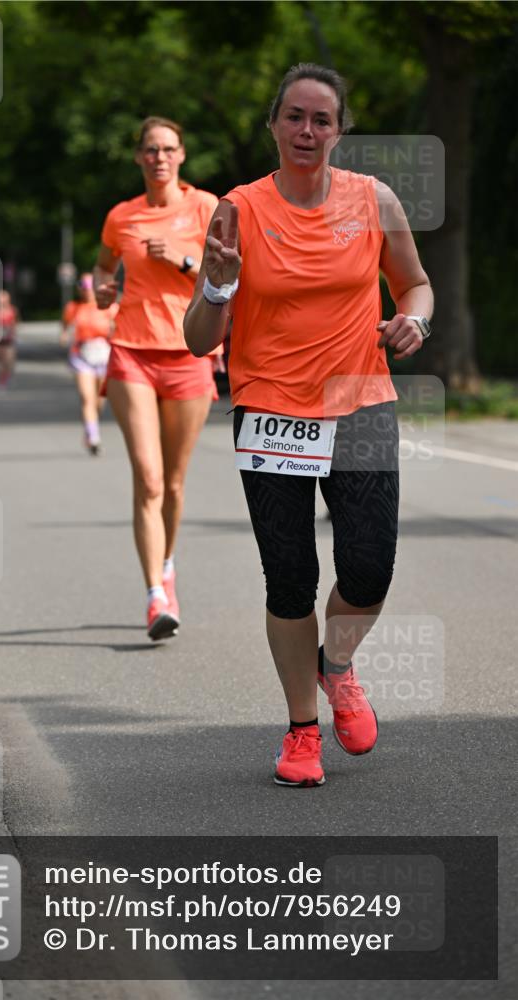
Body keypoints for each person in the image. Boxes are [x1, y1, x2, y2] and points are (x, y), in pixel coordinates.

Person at [184, 64, 434, 787]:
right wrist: (218, 282)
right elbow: (200, 338)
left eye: (320, 119)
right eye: (293, 116)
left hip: (359, 400)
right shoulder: (237, 210)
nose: (306, 131)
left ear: (339, 130)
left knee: (368, 566)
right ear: (273, 125)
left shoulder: (372, 199)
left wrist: (412, 318)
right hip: (269, 409)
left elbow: (413, 282)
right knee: (289, 577)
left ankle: (338, 667)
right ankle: (300, 731)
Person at [94, 116, 218, 641]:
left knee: (172, 481)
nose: (159, 157)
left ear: (182, 155)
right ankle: (154, 596)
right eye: (150, 149)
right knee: (147, 477)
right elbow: (102, 269)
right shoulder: (121, 217)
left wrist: (186, 261)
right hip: (131, 353)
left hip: (189, 352)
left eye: (168, 148)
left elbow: (232, 274)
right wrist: (102, 290)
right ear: (139, 157)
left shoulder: (206, 207)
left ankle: (167, 564)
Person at [61, 273, 117, 455]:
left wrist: (112, 332)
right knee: (87, 398)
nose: (86, 293)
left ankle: (91, 427)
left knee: (99, 400)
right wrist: (65, 335)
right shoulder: (73, 307)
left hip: (104, 355)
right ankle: (93, 437)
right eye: (83, 289)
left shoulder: (108, 307)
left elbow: (118, 327)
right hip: (81, 356)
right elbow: (65, 326)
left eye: (89, 289)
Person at [0, 290, 19, 390]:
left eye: (4, 299)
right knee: (0, 361)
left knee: (8, 360)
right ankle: (1, 379)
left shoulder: (12, 310)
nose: (2, 301)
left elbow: (15, 324)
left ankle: (6, 377)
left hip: (9, 339)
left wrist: (14, 334)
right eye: (0, 299)